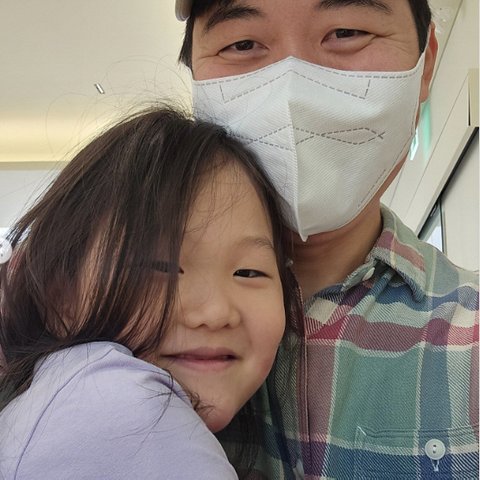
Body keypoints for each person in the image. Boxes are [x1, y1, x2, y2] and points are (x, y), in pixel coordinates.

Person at [175, 1, 479, 478]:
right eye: (243, 43)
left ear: (425, 65)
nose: (293, 91)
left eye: (346, 32)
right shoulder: (114, 318)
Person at [0, 105, 302, 479]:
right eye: (160, 267)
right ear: (60, 296)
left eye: (249, 272)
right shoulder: (119, 407)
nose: (215, 312)